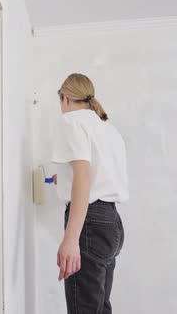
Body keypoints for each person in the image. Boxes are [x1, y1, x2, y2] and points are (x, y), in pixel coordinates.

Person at [51, 73, 129, 314]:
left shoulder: (71, 121)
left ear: (64, 98)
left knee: (85, 309)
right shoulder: (108, 129)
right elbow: (96, 175)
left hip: (89, 224)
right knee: (100, 307)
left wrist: (71, 238)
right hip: (111, 223)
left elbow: (83, 176)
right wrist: (61, 180)